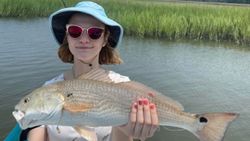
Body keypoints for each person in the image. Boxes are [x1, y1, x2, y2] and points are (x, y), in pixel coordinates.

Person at [5, 1, 159, 141]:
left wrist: (124, 129)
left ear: (105, 39)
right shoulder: (48, 89)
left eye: (94, 33)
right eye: (74, 31)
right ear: (67, 36)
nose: (84, 39)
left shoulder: (123, 86)